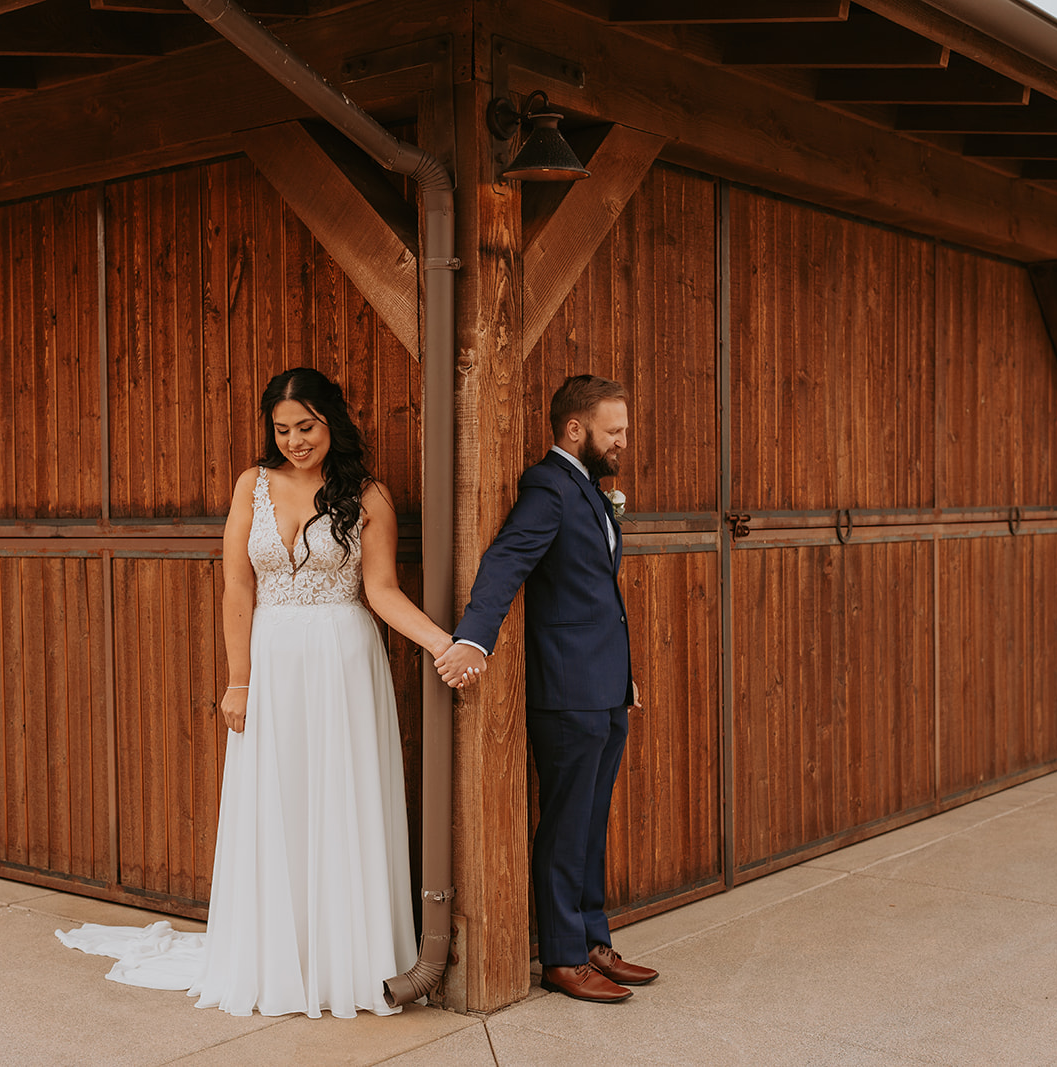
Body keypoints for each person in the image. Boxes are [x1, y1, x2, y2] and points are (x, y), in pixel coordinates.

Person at [58, 367, 456, 1019]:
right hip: (272, 660)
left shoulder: (368, 495)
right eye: (283, 429)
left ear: (332, 421)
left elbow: (381, 592)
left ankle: (346, 961)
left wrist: (441, 642)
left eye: (307, 426)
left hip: (345, 661)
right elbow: (237, 587)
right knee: (278, 801)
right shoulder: (254, 485)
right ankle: (277, 956)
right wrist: (237, 679)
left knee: (342, 798)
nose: (295, 440)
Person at [433, 373, 657, 1004]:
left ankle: (592, 939)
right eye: (614, 432)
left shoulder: (589, 488)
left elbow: (601, 598)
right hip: (567, 693)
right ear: (575, 429)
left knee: (591, 823)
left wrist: (624, 675)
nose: (622, 443)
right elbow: (507, 561)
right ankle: (562, 957)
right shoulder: (548, 488)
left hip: (606, 687)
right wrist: (474, 639)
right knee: (564, 824)